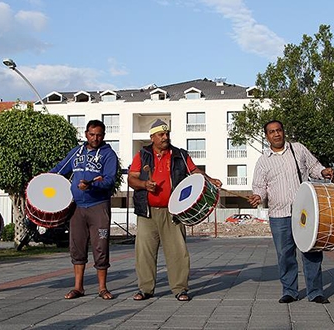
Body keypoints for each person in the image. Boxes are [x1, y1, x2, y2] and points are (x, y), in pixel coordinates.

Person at [128, 119, 222, 302]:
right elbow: (131, 179)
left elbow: (194, 172)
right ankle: (145, 289)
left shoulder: (180, 154)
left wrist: (210, 179)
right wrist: (144, 185)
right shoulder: (142, 154)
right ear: (152, 137)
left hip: (173, 212)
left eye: (167, 133)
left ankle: (180, 289)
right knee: (144, 252)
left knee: (177, 252)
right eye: (161, 134)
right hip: (147, 211)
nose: (165, 137)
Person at [248, 120, 333, 304]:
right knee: (285, 255)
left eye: (279, 130)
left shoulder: (298, 149)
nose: (276, 134)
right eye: (272, 132)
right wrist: (257, 197)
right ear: (267, 136)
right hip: (279, 216)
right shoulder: (263, 161)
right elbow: (260, 187)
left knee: (311, 251)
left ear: (283, 132)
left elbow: (313, 166)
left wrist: (323, 171)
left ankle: (316, 292)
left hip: (305, 212)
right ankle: (289, 291)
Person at [50, 119, 119, 300]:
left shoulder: (109, 155)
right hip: (77, 208)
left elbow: (109, 180)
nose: (95, 138)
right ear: (86, 134)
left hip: (98, 206)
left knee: (100, 246)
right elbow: (60, 170)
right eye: (91, 134)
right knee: (77, 247)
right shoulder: (76, 152)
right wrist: (43, 180)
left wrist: (91, 186)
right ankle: (78, 287)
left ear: (103, 136)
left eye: (99, 135)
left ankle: (102, 288)